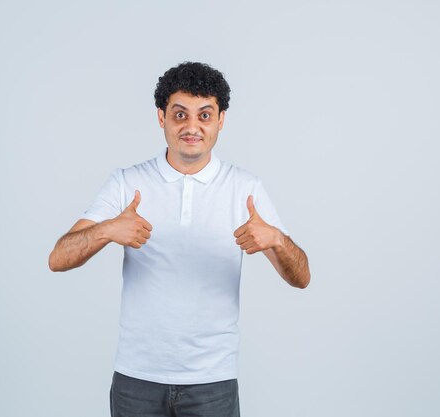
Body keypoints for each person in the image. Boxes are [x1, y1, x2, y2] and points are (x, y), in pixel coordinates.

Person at [48, 62, 310, 417]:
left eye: (204, 115)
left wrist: (276, 239)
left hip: (213, 380)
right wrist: (108, 229)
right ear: (161, 117)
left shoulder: (245, 188)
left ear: (221, 120)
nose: (191, 127)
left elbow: (301, 278)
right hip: (136, 378)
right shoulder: (127, 182)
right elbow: (58, 259)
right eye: (180, 114)